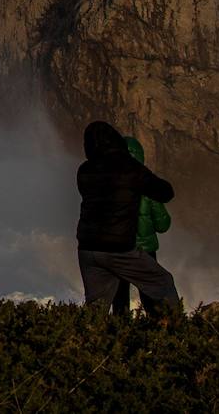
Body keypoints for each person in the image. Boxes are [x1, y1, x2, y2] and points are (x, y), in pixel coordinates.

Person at [76, 121, 181, 314]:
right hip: (119, 249)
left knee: (96, 309)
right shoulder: (128, 168)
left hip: (88, 250)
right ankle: (177, 335)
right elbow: (165, 192)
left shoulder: (84, 170)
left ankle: (85, 340)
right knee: (162, 282)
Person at [111, 136, 173, 315]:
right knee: (150, 294)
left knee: (120, 297)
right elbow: (163, 225)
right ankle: (153, 332)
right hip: (145, 251)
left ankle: (119, 334)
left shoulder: (110, 185)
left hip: (118, 249)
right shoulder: (148, 186)